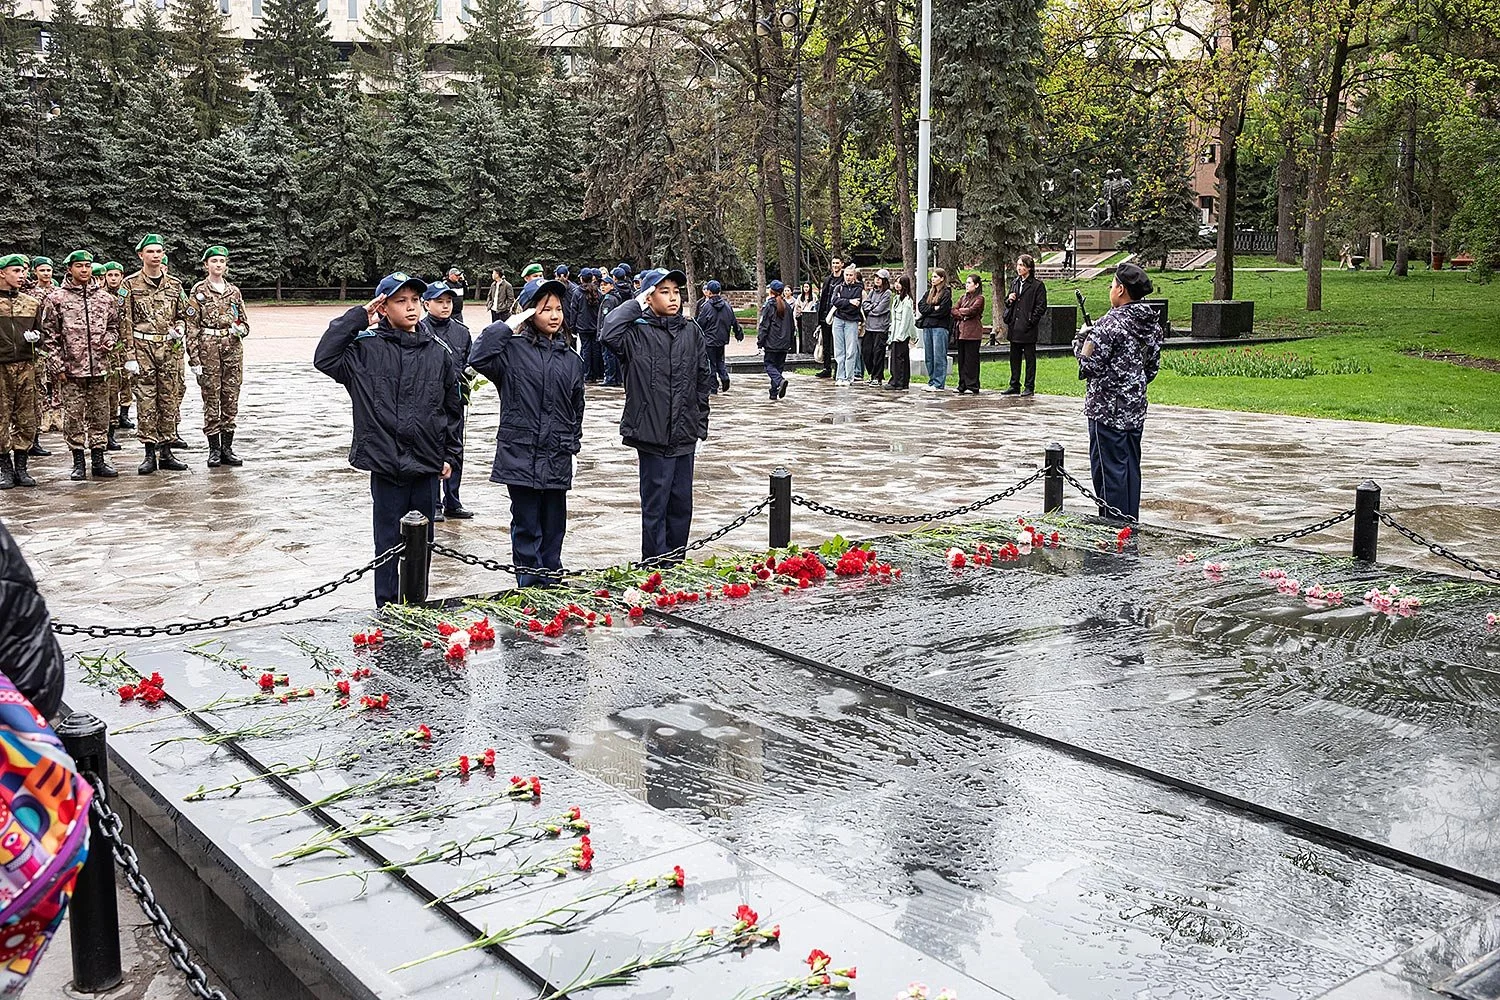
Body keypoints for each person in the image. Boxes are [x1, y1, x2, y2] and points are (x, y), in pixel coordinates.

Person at [315, 272, 463, 607]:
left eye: (415, 300)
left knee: (422, 541)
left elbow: (451, 409)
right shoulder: (364, 349)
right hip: (386, 463)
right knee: (387, 541)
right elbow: (324, 357)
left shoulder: (436, 352)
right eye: (400, 301)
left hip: (426, 463)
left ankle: (416, 602)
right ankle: (387, 606)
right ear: (383, 308)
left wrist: (450, 455)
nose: (411, 307)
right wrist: (358, 317)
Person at [469, 277, 586, 588]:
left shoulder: (571, 359)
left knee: (554, 523)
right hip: (520, 452)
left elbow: (576, 408)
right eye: (545, 309)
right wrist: (509, 324)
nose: (554, 315)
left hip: (557, 451)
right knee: (526, 523)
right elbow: (478, 356)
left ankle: (552, 577)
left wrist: (573, 447)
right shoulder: (512, 351)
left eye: (558, 309)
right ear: (531, 312)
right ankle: (529, 582)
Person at [599, 268, 712, 563]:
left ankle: (676, 564)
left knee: (681, 505)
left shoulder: (691, 332)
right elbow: (608, 332)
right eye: (664, 292)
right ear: (649, 297)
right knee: (655, 506)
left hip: (684, 433)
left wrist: (700, 428)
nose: (673, 298)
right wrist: (636, 303)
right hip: (651, 433)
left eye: (676, 292)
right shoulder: (635, 333)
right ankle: (654, 566)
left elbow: (702, 382)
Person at [1074, 262, 1163, 522]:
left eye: (1112, 285)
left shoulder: (1109, 324)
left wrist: (1081, 340)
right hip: (1134, 410)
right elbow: (1151, 369)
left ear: (1121, 290)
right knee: (1130, 470)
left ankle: (1113, 528)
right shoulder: (1150, 324)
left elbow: (1088, 364)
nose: (1110, 289)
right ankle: (1130, 523)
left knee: (1108, 474)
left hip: (1106, 412)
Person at [42, 250, 121, 481]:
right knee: (74, 416)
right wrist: (57, 366)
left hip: (99, 367)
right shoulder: (57, 298)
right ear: (69, 269)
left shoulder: (105, 298)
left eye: (87, 265)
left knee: (101, 414)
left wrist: (110, 340)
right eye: (79, 266)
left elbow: (114, 327)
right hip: (71, 369)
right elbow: (49, 336)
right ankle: (78, 461)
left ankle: (98, 459)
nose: (84, 270)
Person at [120, 234, 191, 474]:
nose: (155, 256)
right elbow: (125, 322)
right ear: (141, 255)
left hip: (169, 350)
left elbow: (183, 314)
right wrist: (129, 355)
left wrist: (180, 328)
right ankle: (149, 453)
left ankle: (167, 451)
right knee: (146, 400)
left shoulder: (175, 285)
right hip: (143, 349)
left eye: (159, 251)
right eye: (150, 251)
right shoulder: (130, 285)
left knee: (169, 399)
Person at [185, 246, 250, 468]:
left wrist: (241, 329)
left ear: (226, 265)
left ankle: (227, 448)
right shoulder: (198, 290)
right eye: (214, 261)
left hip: (232, 349)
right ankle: (213, 449)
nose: (218, 265)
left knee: (230, 398)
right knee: (211, 398)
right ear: (206, 265)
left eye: (222, 261)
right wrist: (194, 358)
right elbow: (192, 327)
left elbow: (244, 322)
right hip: (208, 350)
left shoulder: (234, 291)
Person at [418, 281, 474, 521]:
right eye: (439, 302)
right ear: (426, 304)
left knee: (455, 449)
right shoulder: (419, 329)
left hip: (455, 401)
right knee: (431, 449)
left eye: (448, 301)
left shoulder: (462, 332)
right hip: (428, 402)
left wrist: (470, 377)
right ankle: (434, 502)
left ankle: (453, 500)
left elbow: (471, 362)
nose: (445, 306)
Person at [0, 254, 43, 489]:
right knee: (1, 417)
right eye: (16, 271)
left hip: (26, 365)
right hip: (1, 366)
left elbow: (42, 334)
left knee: (26, 418)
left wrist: (37, 338)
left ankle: (22, 467)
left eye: (23, 271)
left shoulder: (31, 303)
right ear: (2, 273)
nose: (22, 275)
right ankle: (5, 468)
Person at [1002, 253, 1047, 396]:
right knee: (1014, 358)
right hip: (1015, 326)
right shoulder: (1015, 282)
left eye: (1022, 265)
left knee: (1029, 359)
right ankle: (1014, 384)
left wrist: (1031, 320)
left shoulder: (1037, 285)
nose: (1019, 268)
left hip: (1027, 327)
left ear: (1029, 268)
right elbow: (1008, 302)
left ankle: (1029, 386)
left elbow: (1041, 306)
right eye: (1018, 265)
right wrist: (1009, 299)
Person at [100, 261, 134, 441]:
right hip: (110, 347)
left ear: (122, 276)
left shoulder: (126, 293)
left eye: (116, 275)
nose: (113, 278)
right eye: (110, 275)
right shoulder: (101, 295)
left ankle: (124, 413)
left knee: (127, 380)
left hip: (126, 343)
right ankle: (110, 423)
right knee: (111, 385)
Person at [28, 258, 56, 459]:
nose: (46, 273)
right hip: (32, 350)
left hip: (50, 347)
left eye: (49, 270)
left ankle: (37, 436)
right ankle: (29, 438)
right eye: (42, 270)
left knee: (44, 389)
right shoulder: (29, 293)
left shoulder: (57, 292)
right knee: (32, 393)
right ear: (35, 272)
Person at [695, 280, 741, 394]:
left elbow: (700, 323)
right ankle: (724, 377)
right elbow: (734, 321)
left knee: (711, 363)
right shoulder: (727, 306)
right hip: (722, 339)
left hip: (709, 340)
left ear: (709, 292)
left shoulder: (706, 307)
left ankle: (713, 387)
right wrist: (738, 333)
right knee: (720, 360)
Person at [757, 279, 794, 401]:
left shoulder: (769, 306)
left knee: (769, 365)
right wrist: (790, 342)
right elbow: (792, 326)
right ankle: (774, 392)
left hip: (772, 343)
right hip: (784, 344)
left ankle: (779, 381)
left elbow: (764, 325)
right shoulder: (787, 306)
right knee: (778, 367)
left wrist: (760, 342)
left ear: (771, 291)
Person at [917, 267, 953, 392]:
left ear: (942, 278)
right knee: (929, 356)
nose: (933, 279)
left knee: (939, 356)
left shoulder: (946, 293)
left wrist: (929, 311)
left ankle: (939, 383)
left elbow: (943, 310)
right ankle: (932, 380)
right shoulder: (929, 293)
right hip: (928, 326)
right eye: (932, 277)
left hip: (940, 327)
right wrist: (933, 308)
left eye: (935, 277)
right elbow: (921, 307)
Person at [829, 264, 863, 386]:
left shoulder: (858, 288)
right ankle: (840, 376)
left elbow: (855, 306)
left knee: (850, 350)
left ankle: (849, 377)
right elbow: (834, 301)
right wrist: (849, 302)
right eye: (847, 275)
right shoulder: (838, 288)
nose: (848, 277)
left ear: (854, 276)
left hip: (851, 321)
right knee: (839, 350)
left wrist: (842, 303)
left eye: (850, 275)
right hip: (838, 320)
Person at [953, 273, 985, 394]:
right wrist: (962, 314)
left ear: (976, 285)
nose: (967, 285)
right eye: (966, 283)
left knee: (971, 360)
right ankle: (962, 384)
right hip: (961, 332)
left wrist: (961, 311)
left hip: (973, 333)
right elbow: (954, 310)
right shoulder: (963, 297)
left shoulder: (979, 298)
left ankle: (972, 385)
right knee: (962, 360)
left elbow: (973, 311)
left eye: (969, 283)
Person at [598, 266, 630, 387]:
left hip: (607, 332)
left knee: (608, 356)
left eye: (605, 285)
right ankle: (616, 378)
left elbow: (605, 318)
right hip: (614, 332)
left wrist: (601, 332)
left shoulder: (609, 299)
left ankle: (610, 378)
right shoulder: (614, 297)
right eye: (601, 285)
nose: (602, 287)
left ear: (612, 285)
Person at [886, 273, 916, 391]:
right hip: (896, 332)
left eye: (900, 283)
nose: (897, 285)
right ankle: (898, 380)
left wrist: (901, 335)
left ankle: (898, 381)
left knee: (899, 358)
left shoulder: (907, 301)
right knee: (896, 357)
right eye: (896, 282)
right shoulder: (897, 299)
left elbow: (906, 319)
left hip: (901, 334)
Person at [861, 269, 892, 385]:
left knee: (878, 353)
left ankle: (877, 377)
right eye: (876, 277)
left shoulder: (887, 293)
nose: (877, 280)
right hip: (869, 327)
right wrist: (872, 306)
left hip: (880, 328)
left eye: (880, 278)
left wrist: (871, 308)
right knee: (866, 351)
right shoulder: (872, 292)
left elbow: (879, 310)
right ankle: (871, 373)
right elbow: (865, 305)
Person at [814, 257, 843, 378]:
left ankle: (838, 369)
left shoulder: (843, 279)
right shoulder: (828, 280)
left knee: (837, 344)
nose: (835, 265)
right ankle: (827, 368)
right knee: (825, 343)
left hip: (837, 315)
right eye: (833, 263)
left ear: (842, 264)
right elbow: (823, 298)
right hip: (825, 315)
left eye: (837, 263)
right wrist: (820, 317)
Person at [575, 269, 603, 384]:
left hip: (583, 325)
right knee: (595, 350)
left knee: (586, 349)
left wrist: (572, 325)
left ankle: (587, 374)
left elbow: (574, 310)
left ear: (582, 278)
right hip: (595, 325)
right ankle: (596, 374)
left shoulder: (577, 292)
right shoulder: (598, 292)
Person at [793, 281, 819, 355]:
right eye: (804, 287)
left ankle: (811, 349)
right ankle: (801, 349)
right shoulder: (800, 297)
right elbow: (796, 307)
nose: (806, 289)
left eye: (807, 287)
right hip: (801, 317)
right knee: (801, 334)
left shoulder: (814, 296)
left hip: (811, 317)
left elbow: (816, 306)